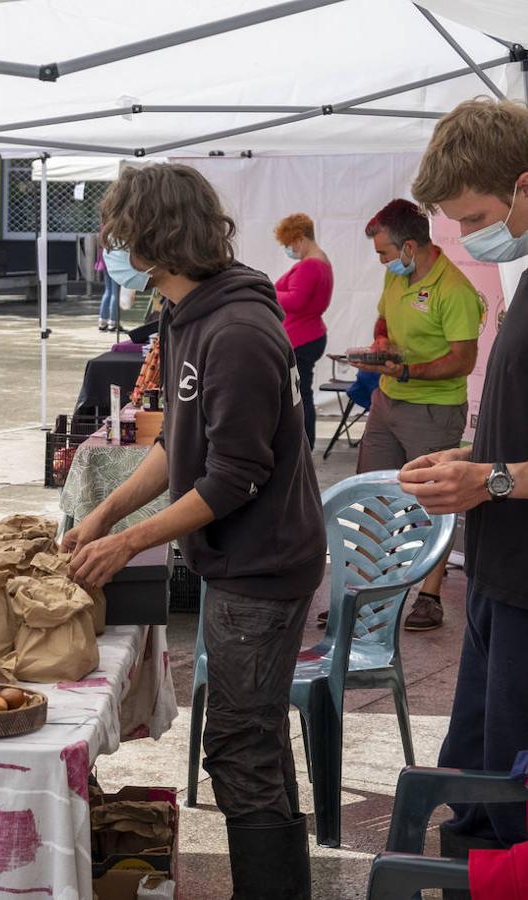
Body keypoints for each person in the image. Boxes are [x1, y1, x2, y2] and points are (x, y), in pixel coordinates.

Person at [62, 164, 323, 899]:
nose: (110, 246)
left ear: (152, 237)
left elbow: (231, 476)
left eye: (117, 232)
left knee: (238, 748)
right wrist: (107, 513)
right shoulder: (187, 313)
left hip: (262, 566)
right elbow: (178, 444)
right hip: (236, 563)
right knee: (257, 742)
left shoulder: (236, 330)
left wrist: (129, 544)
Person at [399, 97, 528, 854]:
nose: (474, 236)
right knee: (475, 790)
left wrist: (496, 481)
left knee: (511, 804)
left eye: (478, 215)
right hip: (498, 578)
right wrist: (472, 456)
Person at [354, 198, 482, 632]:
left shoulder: (456, 289)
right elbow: (382, 321)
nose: (383, 263)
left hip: (434, 409)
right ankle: (366, 593)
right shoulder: (398, 279)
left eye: (385, 254)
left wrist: (408, 370)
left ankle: (429, 596)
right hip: (388, 402)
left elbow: (463, 360)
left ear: (409, 247)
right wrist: (381, 345)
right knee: (370, 495)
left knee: (433, 501)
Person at [273, 213, 333, 449]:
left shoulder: (310, 265)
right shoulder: (322, 261)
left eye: (288, 244)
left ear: (299, 238)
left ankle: (303, 444)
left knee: (298, 395)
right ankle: (304, 443)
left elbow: (296, 300)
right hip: (311, 334)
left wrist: (267, 290)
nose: (288, 249)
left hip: (301, 337)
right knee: (302, 391)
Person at [96, 245, 120, 332]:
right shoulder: (116, 232)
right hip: (115, 261)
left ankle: (103, 321)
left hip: (105, 260)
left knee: (108, 291)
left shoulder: (103, 231)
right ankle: (113, 322)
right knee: (115, 292)